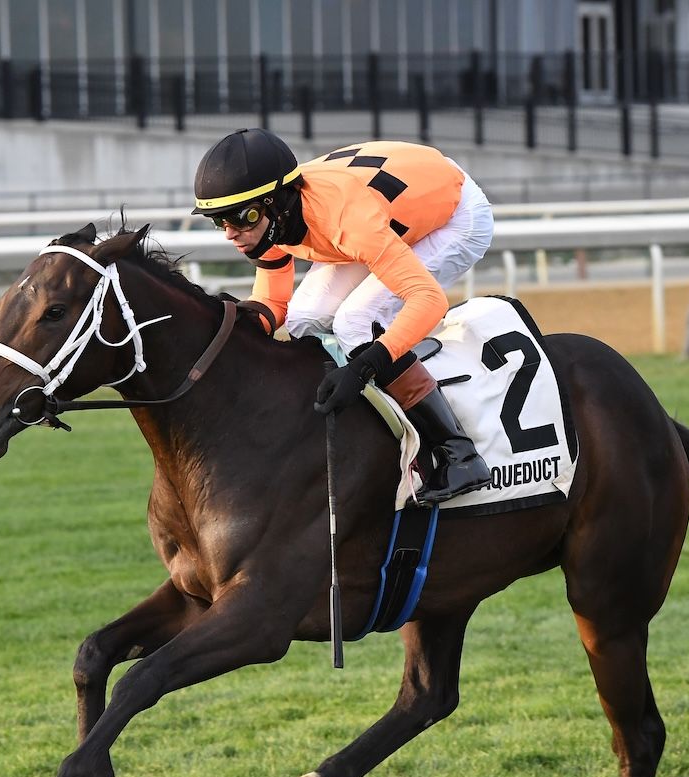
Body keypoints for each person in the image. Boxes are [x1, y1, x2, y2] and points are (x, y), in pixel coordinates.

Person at [191, 129, 493, 504]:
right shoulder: (271, 222)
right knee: (304, 318)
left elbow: (427, 300)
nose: (231, 234)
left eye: (242, 218)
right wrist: (233, 332)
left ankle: (457, 453)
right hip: (388, 209)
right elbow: (274, 302)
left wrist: (366, 364)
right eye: (219, 222)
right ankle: (339, 428)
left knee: (354, 322)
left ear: (277, 202)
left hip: (453, 216)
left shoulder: (345, 220)